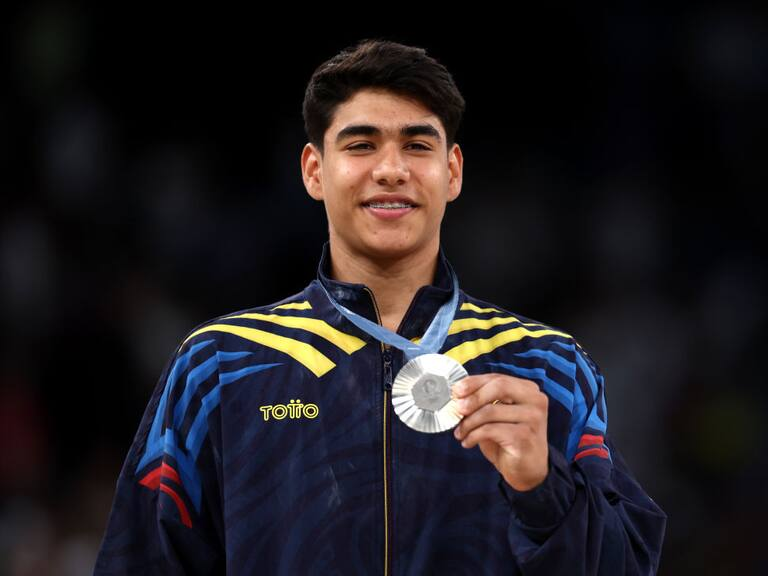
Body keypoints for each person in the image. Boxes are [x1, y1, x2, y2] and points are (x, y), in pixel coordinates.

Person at [94, 38, 667, 575]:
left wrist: (544, 488)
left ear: (452, 172)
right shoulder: (221, 366)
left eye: (417, 145)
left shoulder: (546, 367)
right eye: (362, 144)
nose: (391, 169)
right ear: (314, 171)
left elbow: (628, 564)